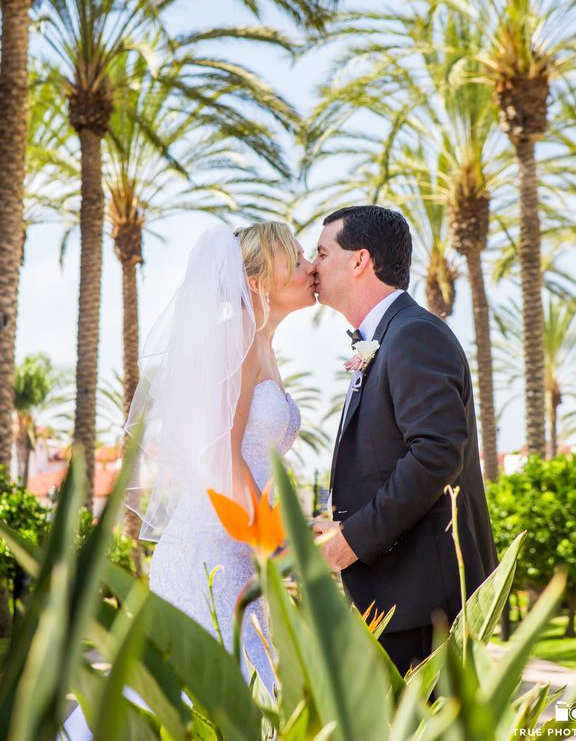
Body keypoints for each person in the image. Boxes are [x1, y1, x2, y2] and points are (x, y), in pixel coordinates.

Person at [125, 221, 316, 693]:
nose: (311, 268)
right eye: (296, 260)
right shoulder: (238, 340)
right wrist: (276, 539)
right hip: (206, 552)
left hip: (237, 550)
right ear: (256, 282)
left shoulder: (264, 345)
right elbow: (223, 457)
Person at [312, 205, 498, 676]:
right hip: (401, 598)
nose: (313, 266)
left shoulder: (413, 334)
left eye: (322, 252)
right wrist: (338, 522)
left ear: (360, 261)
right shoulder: (390, 336)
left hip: (424, 606)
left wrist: (351, 541)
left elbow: (437, 454)